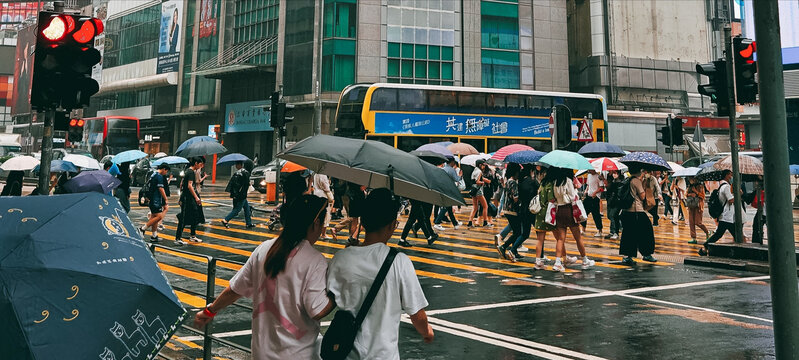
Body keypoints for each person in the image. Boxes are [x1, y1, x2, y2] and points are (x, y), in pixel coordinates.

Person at [194, 195, 335, 360]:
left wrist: (210, 311)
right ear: (315, 223)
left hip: (261, 353)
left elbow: (235, 290)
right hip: (297, 354)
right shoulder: (314, 260)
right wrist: (338, 293)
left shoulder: (265, 248)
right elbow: (317, 310)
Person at [326, 188, 434, 359]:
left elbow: (328, 301)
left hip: (346, 353)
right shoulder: (399, 261)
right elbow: (417, 314)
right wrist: (427, 332)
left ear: (364, 221)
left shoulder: (340, 258)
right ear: (392, 225)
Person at [550, 168, 595, 271]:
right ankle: (584, 260)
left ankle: (557, 262)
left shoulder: (555, 182)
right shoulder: (568, 180)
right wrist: (574, 190)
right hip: (569, 210)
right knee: (578, 237)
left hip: (559, 210)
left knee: (561, 238)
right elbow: (572, 197)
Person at [619, 167, 657, 264]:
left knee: (629, 233)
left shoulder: (628, 180)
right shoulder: (636, 181)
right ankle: (646, 254)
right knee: (646, 231)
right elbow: (642, 196)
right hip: (636, 211)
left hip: (627, 211)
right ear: (639, 172)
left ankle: (627, 256)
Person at [699, 170, 738, 256]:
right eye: (730, 175)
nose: (731, 177)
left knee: (720, 234)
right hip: (726, 216)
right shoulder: (726, 187)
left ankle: (705, 247)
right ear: (726, 175)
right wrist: (738, 195)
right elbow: (730, 200)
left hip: (725, 215)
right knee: (735, 234)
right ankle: (705, 246)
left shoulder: (721, 186)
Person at [139, 164, 176, 244]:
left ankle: (154, 236)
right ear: (163, 169)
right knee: (159, 217)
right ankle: (142, 228)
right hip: (156, 200)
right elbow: (160, 188)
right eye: (166, 171)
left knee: (154, 217)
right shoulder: (158, 176)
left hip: (152, 199)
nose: (166, 173)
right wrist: (165, 199)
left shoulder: (153, 174)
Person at [176, 157, 206, 242]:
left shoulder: (188, 171)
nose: (200, 166)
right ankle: (178, 238)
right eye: (200, 164)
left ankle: (192, 235)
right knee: (184, 218)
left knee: (194, 215)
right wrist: (196, 197)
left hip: (187, 197)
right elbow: (189, 186)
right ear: (196, 163)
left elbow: (182, 184)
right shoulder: (190, 172)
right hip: (188, 198)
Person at [497, 163, 523, 261]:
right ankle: (504, 246)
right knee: (518, 232)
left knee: (516, 231)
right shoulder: (513, 182)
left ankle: (514, 250)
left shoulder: (508, 181)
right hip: (512, 210)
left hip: (507, 209)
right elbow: (515, 197)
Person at [221, 161, 254, 228]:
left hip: (236, 193)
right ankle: (226, 220)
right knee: (237, 209)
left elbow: (232, 183)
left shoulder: (238, 172)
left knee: (247, 208)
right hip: (241, 195)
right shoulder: (246, 173)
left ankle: (249, 223)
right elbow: (244, 186)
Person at [332, 181, 365, 246]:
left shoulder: (351, 175)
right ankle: (353, 237)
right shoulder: (361, 176)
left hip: (350, 196)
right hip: (358, 197)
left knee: (353, 219)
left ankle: (352, 238)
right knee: (364, 220)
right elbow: (362, 188)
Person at [433, 158, 462, 230]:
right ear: (452, 162)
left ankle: (455, 224)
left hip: (442, 189)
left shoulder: (443, 169)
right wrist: (460, 175)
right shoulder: (451, 170)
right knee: (446, 207)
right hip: (448, 189)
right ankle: (437, 222)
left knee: (449, 207)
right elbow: (457, 179)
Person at [685, 176, 710, 244]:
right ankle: (693, 238)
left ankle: (707, 232)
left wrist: (696, 192)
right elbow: (685, 194)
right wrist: (690, 194)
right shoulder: (689, 187)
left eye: (692, 178)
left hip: (698, 206)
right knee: (691, 222)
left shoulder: (700, 186)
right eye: (690, 179)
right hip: (691, 205)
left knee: (698, 222)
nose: (691, 180)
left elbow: (703, 196)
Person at [467, 160, 491, 227]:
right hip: (478, 190)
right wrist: (482, 183)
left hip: (473, 190)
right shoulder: (479, 171)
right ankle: (485, 222)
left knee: (475, 207)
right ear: (480, 165)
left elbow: (473, 180)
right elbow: (477, 181)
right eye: (483, 165)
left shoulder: (474, 170)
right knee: (485, 206)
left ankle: (470, 222)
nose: (484, 166)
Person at [312, 172, 335, 239]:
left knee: (317, 214)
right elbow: (326, 187)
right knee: (325, 214)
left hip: (316, 194)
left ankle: (315, 232)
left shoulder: (315, 174)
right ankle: (323, 234)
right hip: (323, 195)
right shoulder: (323, 175)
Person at [582, 169, 605, 237]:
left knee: (596, 215)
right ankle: (583, 229)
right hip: (588, 196)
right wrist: (586, 190)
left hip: (595, 198)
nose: (589, 171)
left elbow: (601, 188)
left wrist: (595, 192)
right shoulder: (589, 176)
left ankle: (600, 230)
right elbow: (588, 185)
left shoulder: (598, 177)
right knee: (584, 213)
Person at [604, 170, 623, 240]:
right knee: (610, 216)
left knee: (613, 216)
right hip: (610, 201)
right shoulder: (613, 181)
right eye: (613, 173)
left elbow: (617, 193)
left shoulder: (620, 182)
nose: (614, 175)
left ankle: (615, 232)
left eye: (615, 173)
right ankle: (612, 231)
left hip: (616, 202)